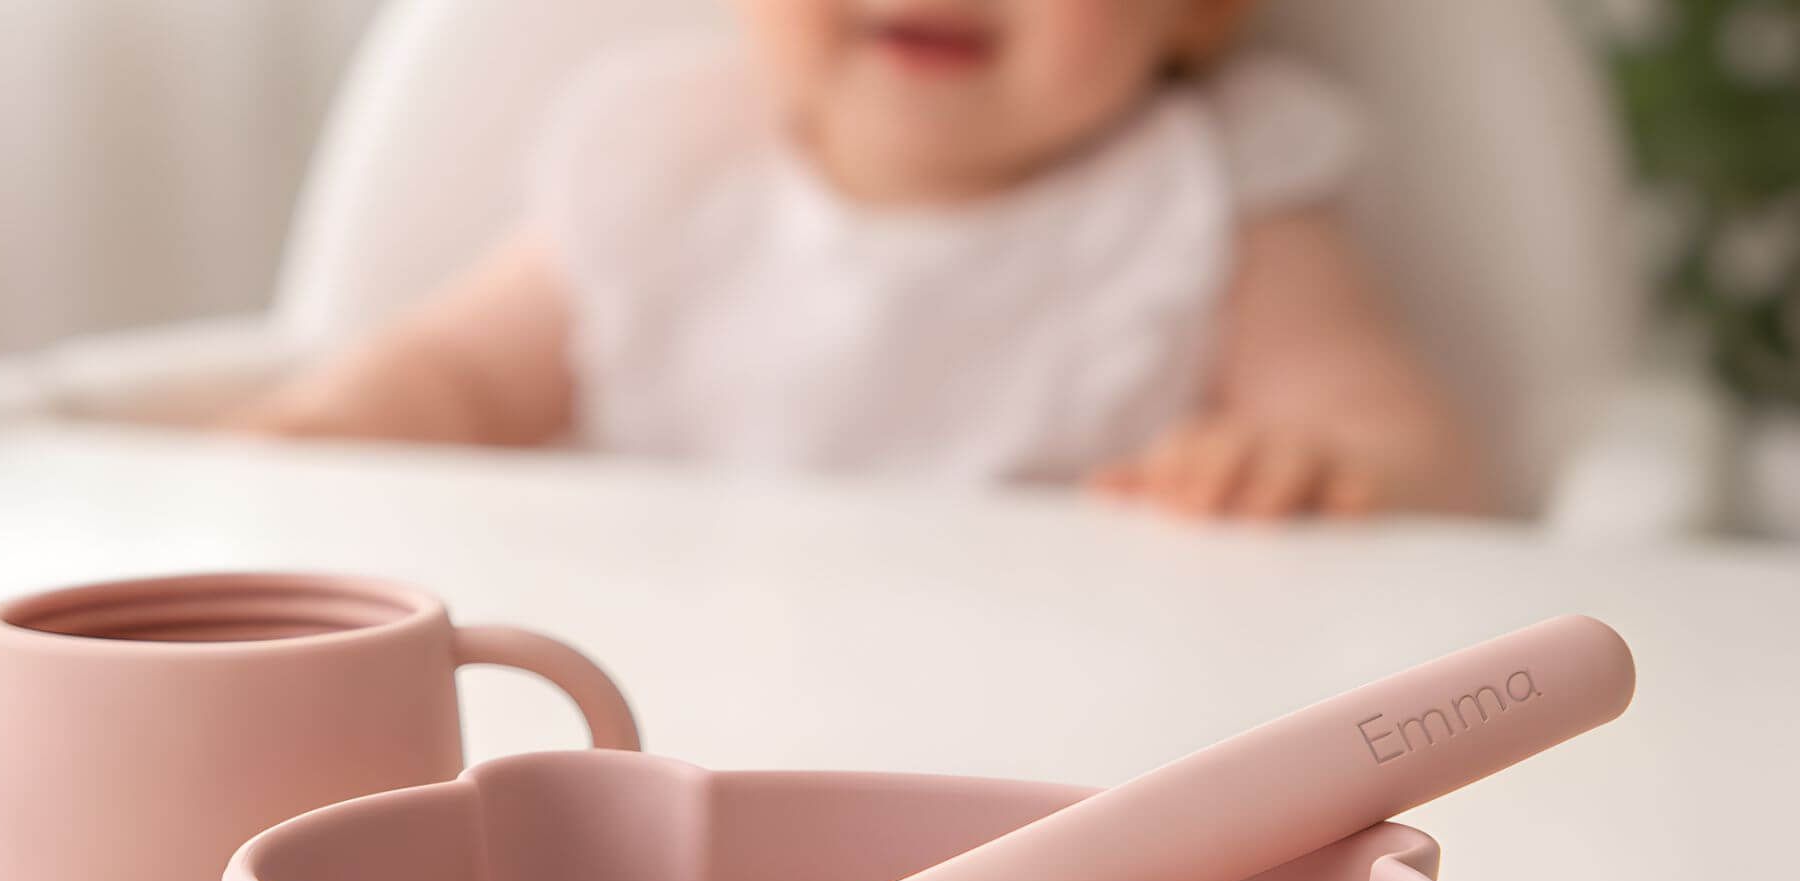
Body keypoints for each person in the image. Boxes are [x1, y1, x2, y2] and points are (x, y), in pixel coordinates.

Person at [223, 0, 1486, 520]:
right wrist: (315, 437)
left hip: (1064, 760)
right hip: (656, 712)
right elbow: (456, 377)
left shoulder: (1214, 196)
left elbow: (1419, 456)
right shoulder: (667, 170)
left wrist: (1312, 471)